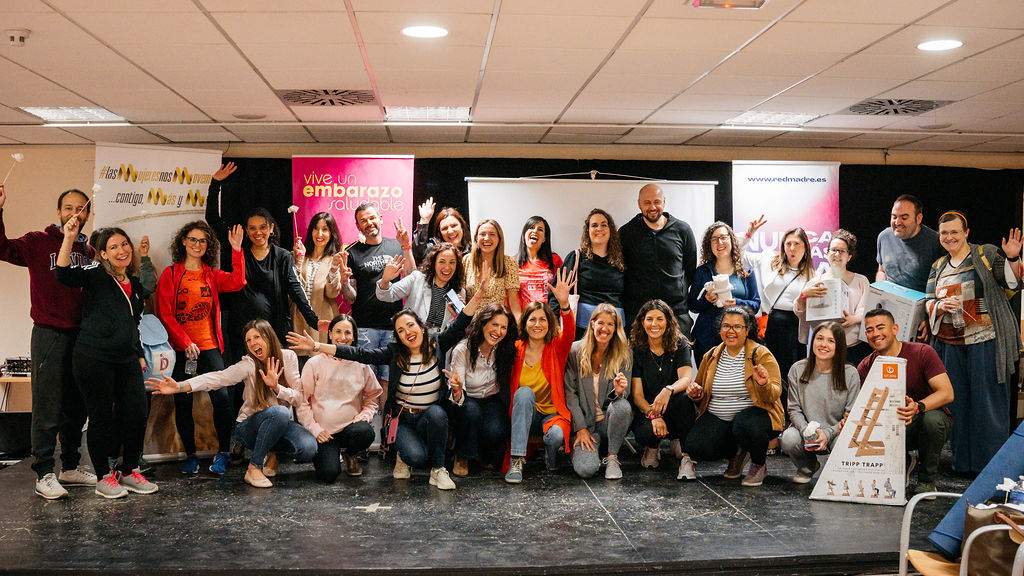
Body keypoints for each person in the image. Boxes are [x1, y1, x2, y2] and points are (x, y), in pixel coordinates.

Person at [289, 272, 490, 490]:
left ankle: (438, 470)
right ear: (398, 337)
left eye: (410, 326)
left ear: (421, 326)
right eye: (401, 331)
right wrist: (317, 346)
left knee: (438, 414)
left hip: (429, 417)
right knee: (416, 457)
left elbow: (461, 323)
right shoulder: (394, 353)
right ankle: (404, 455)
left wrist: (479, 294)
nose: (407, 332)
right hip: (403, 419)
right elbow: (359, 354)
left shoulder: (437, 344)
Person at [0, 186, 96, 499]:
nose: (74, 213)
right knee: (47, 407)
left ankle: (70, 467)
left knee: (76, 408)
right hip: (49, 334)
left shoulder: (89, 252)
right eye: (68, 207)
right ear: (58, 212)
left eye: (80, 209)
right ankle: (43, 473)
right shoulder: (37, 242)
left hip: (80, 337)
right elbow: (2, 248)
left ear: (87, 214)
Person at [147, 319, 317, 489]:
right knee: (280, 412)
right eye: (248, 340)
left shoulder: (288, 357)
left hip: (279, 423)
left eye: (257, 337)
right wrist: (180, 386)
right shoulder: (248, 364)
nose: (252, 343)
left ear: (268, 336)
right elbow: (218, 378)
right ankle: (254, 468)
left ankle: (273, 453)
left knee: (308, 448)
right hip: (249, 427)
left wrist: (276, 387)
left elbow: (299, 398)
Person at [56, 225, 158, 498]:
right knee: (101, 418)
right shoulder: (94, 273)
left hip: (127, 359)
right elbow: (63, 274)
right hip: (93, 358)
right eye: (113, 247)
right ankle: (103, 476)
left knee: (137, 413)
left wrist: (138, 353)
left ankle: (130, 471)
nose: (121, 250)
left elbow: (133, 323)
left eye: (124, 244)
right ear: (102, 253)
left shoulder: (134, 283)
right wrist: (68, 238)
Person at [924, 211, 1020, 475]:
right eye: (944, 233)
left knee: (987, 405)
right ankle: (963, 464)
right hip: (949, 345)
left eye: (955, 232)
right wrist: (939, 306)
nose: (949, 237)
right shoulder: (938, 266)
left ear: (966, 232)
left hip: (985, 342)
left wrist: (1012, 258)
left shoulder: (985, 254)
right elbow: (928, 300)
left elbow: (1012, 283)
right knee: (957, 406)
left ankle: (990, 470)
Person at [155, 221, 246, 476]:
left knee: (222, 399)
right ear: (183, 241)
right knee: (183, 401)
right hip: (181, 349)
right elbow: (165, 313)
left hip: (209, 347)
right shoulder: (171, 274)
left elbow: (237, 282)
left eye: (202, 241)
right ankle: (190, 456)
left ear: (208, 245)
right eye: (193, 239)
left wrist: (236, 250)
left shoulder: (211, 274)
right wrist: (185, 342)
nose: (197, 244)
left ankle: (223, 452)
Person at [205, 163, 319, 360]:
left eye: (263, 227)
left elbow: (295, 290)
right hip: (242, 333)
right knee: (244, 376)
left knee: (274, 374)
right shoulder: (238, 248)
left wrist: (314, 321)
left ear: (271, 228)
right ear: (246, 231)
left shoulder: (282, 256)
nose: (258, 232)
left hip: (273, 331)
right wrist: (215, 183)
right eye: (252, 228)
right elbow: (212, 218)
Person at [684, 307, 783, 487]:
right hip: (720, 418)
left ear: (747, 330)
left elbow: (775, 393)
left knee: (744, 425)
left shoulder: (760, 354)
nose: (731, 331)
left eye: (737, 327)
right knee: (696, 446)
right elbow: (700, 390)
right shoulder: (711, 355)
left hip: (755, 418)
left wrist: (763, 384)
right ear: (720, 329)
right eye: (726, 326)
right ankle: (737, 452)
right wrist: (695, 393)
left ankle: (758, 464)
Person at [858, 308, 954, 493]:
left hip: (922, 421)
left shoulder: (922, 352)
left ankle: (927, 481)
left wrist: (918, 407)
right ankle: (901, 463)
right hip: (888, 427)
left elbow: (947, 393)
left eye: (880, 327)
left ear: (895, 329)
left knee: (933, 420)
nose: (875, 334)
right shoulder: (866, 366)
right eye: (870, 330)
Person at [504, 268, 576, 484]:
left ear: (549, 323)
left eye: (542, 320)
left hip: (551, 415)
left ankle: (551, 455)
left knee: (556, 436)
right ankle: (517, 460)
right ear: (525, 323)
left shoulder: (556, 347)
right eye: (532, 320)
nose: (537, 324)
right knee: (524, 393)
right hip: (525, 415)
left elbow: (570, 332)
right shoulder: (515, 348)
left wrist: (564, 305)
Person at [295, 314, 381, 483]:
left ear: (354, 336)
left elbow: (373, 396)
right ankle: (330, 456)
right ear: (330, 334)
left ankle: (351, 454)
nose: (343, 337)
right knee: (329, 474)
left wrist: (365, 415)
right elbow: (302, 402)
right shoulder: (314, 363)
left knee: (365, 432)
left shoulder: (361, 364)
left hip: (351, 429)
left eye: (348, 333)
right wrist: (315, 429)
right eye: (338, 332)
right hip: (324, 433)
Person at [780, 322, 860, 484]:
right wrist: (806, 431)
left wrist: (828, 433)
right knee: (788, 438)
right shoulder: (797, 369)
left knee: (846, 443)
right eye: (819, 338)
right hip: (806, 431)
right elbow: (794, 409)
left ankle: (837, 470)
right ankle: (807, 467)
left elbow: (851, 415)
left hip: (837, 432)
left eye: (831, 341)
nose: (823, 344)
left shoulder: (850, 373)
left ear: (839, 346)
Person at [741, 218, 815, 389]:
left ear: (805, 247)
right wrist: (748, 235)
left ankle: (789, 404)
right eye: (788, 243)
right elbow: (739, 255)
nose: (792, 248)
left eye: (797, 244)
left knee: (792, 372)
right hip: (771, 323)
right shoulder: (770, 259)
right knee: (768, 369)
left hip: (795, 326)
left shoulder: (812, 274)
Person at [629, 299, 697, 480]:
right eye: (649, 319)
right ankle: (652, 447)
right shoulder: (636, 348)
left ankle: (686, 457)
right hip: (648, 410)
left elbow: (686, 379)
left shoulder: (679, 343)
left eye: (660, 319)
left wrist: (668, 390)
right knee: (646, 434)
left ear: (668, 322)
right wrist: (654, 416)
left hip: (673, 406)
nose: (654, 324)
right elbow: (637, 395)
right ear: (642, 322)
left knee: (685, 399)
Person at [564, 303, 632, 480]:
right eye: (601, 323)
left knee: (623, 406)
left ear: (616, 328)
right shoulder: (575, 351)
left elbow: (625, 394)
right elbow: (570, 394)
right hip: (585, 425)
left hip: (607, 423)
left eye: (611, 324)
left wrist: (618, 392)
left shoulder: (624, 354)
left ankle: (612, 456)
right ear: (592, 323)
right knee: (586, 470)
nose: (605, 328)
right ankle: (585, 450)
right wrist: (580, 428)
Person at [619, 183, 698, 336]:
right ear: (639, 204)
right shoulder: (626, 233)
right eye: (647, 202)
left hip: (676, 313)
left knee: (680, 352)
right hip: (638, 315)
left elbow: (690, 270)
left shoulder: (683, 230)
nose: (652, 207)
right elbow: (621, 272)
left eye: (657, 202)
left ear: (664, 202)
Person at [345, 202, 412, 382]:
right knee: (365, 381)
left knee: (388, 379)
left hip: (394, 325)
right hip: (364, 326)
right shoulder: (351, 252)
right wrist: (343, 281)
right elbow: (350, 297)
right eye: (363, 220)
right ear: (358, 226)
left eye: (372, 218)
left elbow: (410, 276)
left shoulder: (396, 246)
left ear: (380, 219)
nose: (369, 223)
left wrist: (406, 247)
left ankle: (385, 404)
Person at [447, 303, 516, 476]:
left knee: (497, 429)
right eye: (494, 324)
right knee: (472, 413)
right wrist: (456, 389)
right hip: (466, 399)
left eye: (503, 327)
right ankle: (462, 455)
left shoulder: (504, 348)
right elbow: (458, 395)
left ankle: (481, 453)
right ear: (483, 323)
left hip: (491, 399)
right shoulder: (463, 349)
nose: (498, 331)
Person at [795, 229, 871, 366]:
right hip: (823, 347)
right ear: (826, 253)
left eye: (842, 251)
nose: (837, 254)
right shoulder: (815, 282)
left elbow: (866, 310)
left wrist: (853, 319)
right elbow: (800, 312)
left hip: (852, 346)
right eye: (834, 250)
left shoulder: (861, 281)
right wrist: (803, 296)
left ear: (849, 256)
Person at [688, 222, 760, 361]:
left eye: (723, 237)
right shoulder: (702, 271)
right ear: (709, 245)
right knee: (707, 375)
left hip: (738, 338)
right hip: (706, 339)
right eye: (714, 239)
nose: (719, 243)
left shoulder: (746, 271)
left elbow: (756, 304)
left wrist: (737, 303)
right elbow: (692, 305)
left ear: (731, 240)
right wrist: (706, 300)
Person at [551, 208, 625, 339]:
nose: (599, 229)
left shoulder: (622, 261)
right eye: (594, 225)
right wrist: (555, 322)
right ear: (588, 231)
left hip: (614, 331)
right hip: (583, 331)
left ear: (610, 230)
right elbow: (556, 294)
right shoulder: (576, 258)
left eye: (604, 224)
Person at [376, 242, 465, 333]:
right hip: (413, 337)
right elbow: (386, 295)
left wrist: (457, 316)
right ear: (434, 263)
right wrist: (385, 280)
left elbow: (455, 329)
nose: (447, 267)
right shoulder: (417, 278)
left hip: (440, 340)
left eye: (452, 262)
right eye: (442, 262)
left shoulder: (459, 292)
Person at [292, 211, 348, 351]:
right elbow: (292, 289)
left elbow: (332, 293)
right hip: (298, 323)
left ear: (331, 233)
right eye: (316, 228)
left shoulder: (335, 260)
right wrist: (298, 261)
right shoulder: (298, 256)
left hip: (323, 324)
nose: (319, 234)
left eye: (325, 229)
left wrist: (334, 268)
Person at [876, 194, 944, 293]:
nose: (897, 222)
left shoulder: (935, 242)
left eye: (904, 218)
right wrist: (879, 292)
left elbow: (943, 282)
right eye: (894, 217)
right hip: (889, 297)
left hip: (921, 300)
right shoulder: (884, 237)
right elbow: (881, 271)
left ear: (918, 218)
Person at [465, 219, 522, 321]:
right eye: (482, 234)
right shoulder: (466, 260)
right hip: (470, 322)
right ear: (476, 238)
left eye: (492, 234)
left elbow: (513, 302)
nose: (487, 238)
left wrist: (521, 324)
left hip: (496, 323)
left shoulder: (509, 263)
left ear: (499, 239)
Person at [516, 215, 562, 311]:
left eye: (540, 229)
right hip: (525, 317)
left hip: (549, 316)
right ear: (524, 234)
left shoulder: (554, 260)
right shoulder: (513, 263)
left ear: (544, 238)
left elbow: (561, 291)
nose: (535, 231)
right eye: (531, 227)